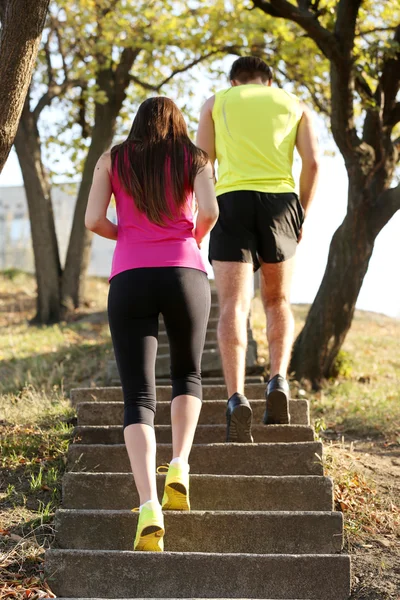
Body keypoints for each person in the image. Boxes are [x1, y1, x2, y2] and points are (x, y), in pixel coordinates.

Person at [85, 97, 218, 552]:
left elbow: (92, 220)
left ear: (137, 122)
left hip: (130, 278)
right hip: (185, 273)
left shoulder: (113, 158)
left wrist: (128, 234)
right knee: (188, 374)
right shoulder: (194, 157)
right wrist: (189, 239)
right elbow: (211, 212)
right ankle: (179, 464)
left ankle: (147, 507)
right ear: (178, 122)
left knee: (138, 397)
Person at [196, 56, 319, 442]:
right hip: (281, 203)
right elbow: (313, 163)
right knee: (277, 300)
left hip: (231, 201)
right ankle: (277, 380)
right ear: (269, 81)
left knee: (234, 303)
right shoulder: (294, 104)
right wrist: (301, 212)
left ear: (235, 82)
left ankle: (236, 398)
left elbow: (202, 163)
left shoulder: (217, 102)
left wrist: (204, 213)